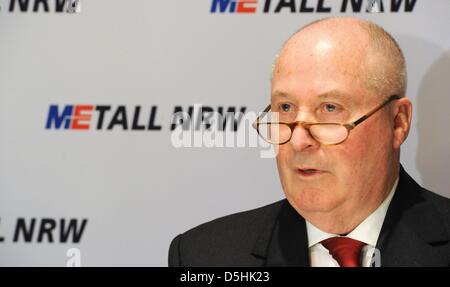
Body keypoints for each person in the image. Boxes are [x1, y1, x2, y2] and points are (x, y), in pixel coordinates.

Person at [168, 17, 450, 267]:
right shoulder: (203, 256)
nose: (299, 140)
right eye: (286, 108)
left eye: (329, 108)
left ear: (397, 122)